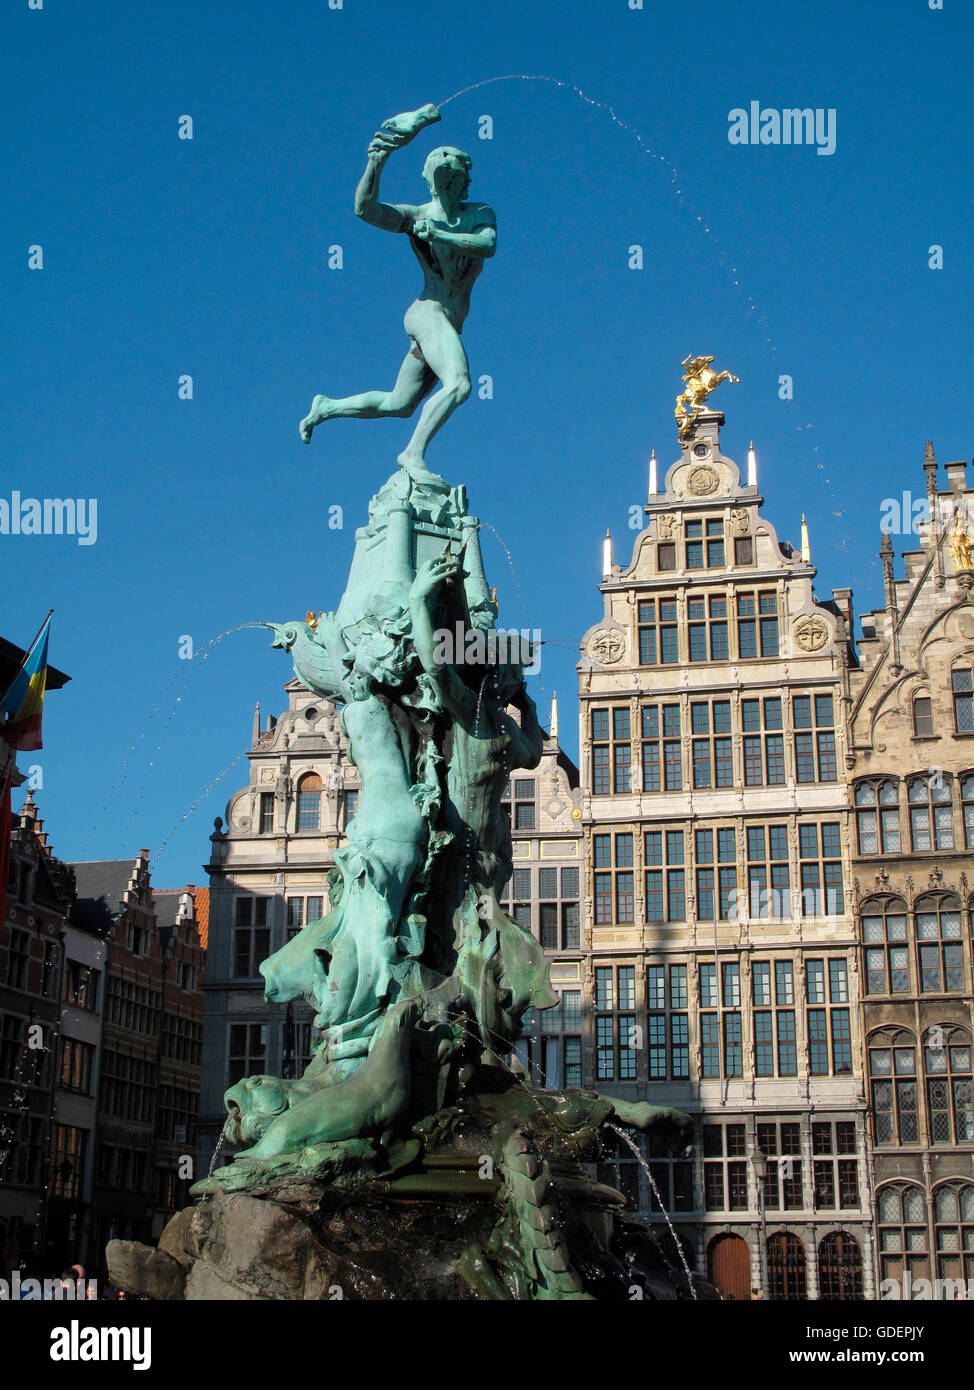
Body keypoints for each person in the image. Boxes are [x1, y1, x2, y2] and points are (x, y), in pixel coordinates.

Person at [299, 116, 496, 479]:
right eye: (456, 174)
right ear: (442, 179)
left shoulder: (478, 214)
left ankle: (326, 407)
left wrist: (439, 234)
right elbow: (366, 210)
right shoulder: (416, 216)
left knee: (399, 403)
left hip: (446, 322)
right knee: (460, 384)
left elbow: (487, 245)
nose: (461, 181)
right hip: (427, 313)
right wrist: (377, 160)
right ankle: (412, 454)